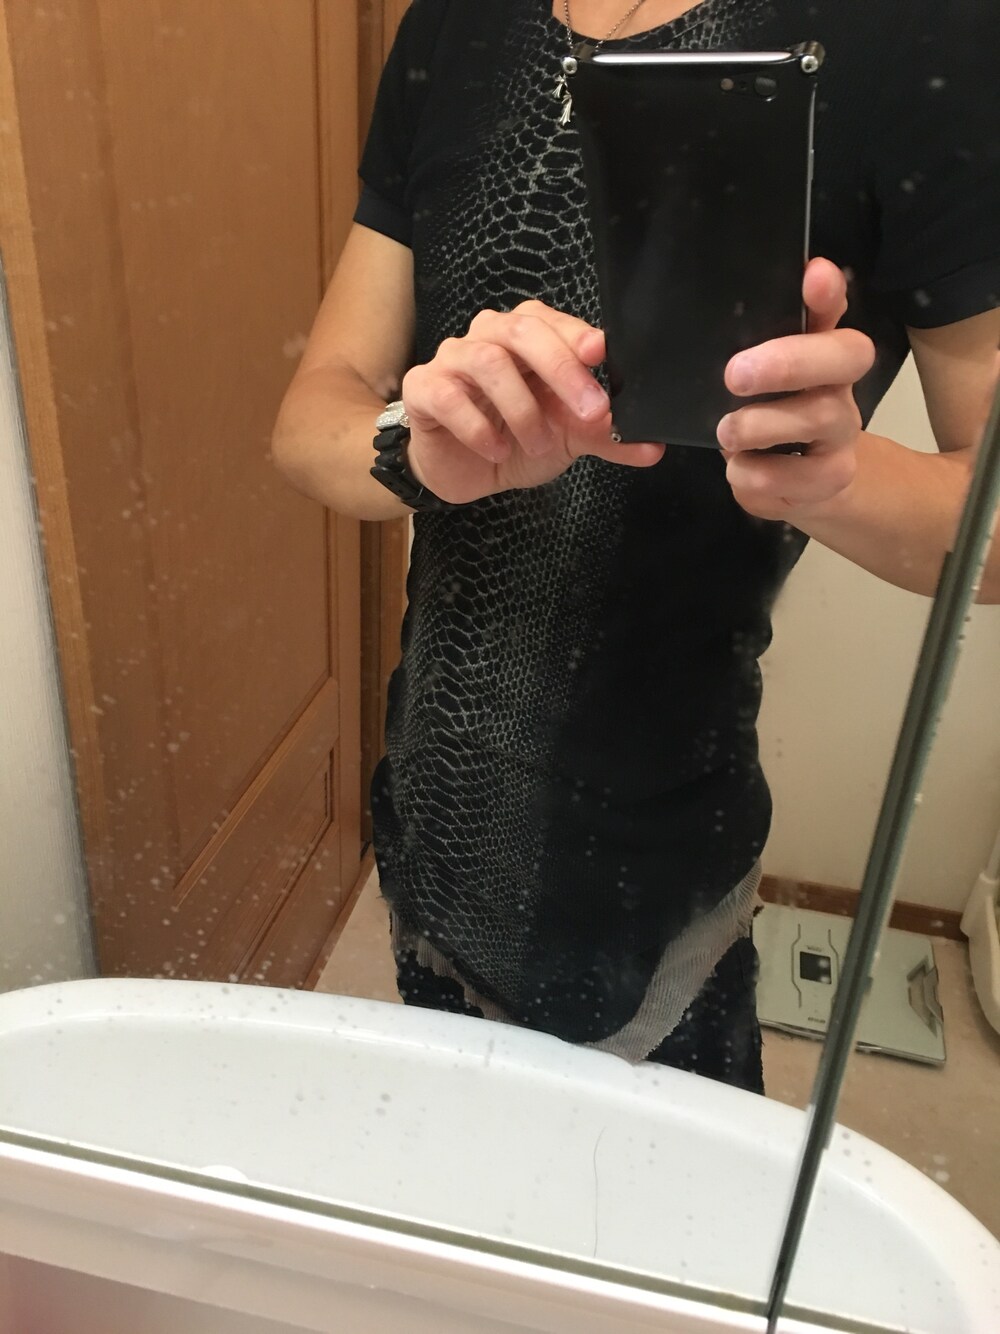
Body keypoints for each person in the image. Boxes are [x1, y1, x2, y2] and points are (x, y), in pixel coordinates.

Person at [272, 0, 1000, 1093]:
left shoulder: (920, 33)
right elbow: (310, 419)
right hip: (427, 821)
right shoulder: (455, 22)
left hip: (657, 886)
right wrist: (418, 447)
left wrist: (833, 475)